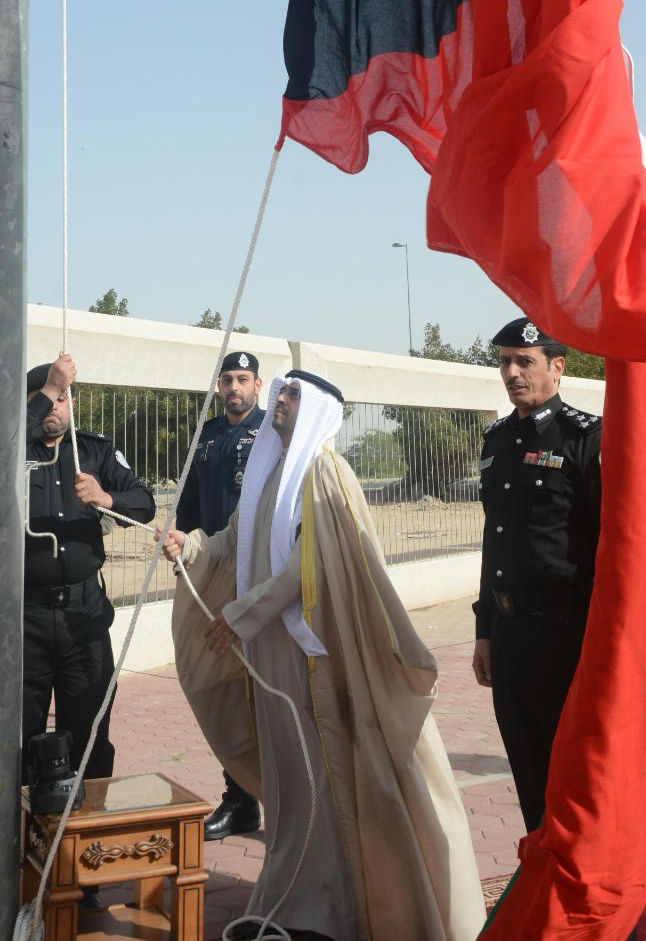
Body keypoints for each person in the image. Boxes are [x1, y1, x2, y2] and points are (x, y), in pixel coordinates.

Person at [163, 368, 486, 941]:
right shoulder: (266, 474)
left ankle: (336, 908)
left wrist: (245, 614)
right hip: (268, 656)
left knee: (324, 778)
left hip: (313, 658)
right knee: (290, 784)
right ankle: (292, 902)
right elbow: (234, 541)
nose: (279, 401)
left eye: (291, 395)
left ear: (313, 410)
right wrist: (189, 547)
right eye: (280, 392)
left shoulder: (326, 474)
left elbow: (309, 564)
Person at [472, 318, 602, 833]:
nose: (511, 372)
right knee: (529, 774)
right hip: (509, 634)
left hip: (565, 635)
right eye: (504, 361)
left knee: (572, 783)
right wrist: (484, 630)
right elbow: (493, 540)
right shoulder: (498, 439)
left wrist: (598, 642)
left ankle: (591, 905)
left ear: (557, 367)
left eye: (524, 361)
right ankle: (543, 892)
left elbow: (604, 545)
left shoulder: (584, 437)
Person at [23, 352, 156, 779]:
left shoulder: (95, 450)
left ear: (73, 404)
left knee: (89, 734)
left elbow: (146, 503)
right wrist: (48, 388)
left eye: (63, 398)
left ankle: (85, 836)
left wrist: (106, 498)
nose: (54, 408)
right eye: (45, 399)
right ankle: (23, 836)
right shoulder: (14, 451)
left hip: (84, 617)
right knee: (20, 739)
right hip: (26, 619)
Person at [175, 349, 264, 838]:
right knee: (226, 688)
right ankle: (240, 797)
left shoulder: (273, 432)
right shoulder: (206, 435)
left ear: (257, 384)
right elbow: (188, 505)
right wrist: (183, 553)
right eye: (227, 379)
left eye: (243, 379)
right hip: (213, 570)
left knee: (265, 685)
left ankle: (283, 793)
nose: (234, 388)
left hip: (260, 573)